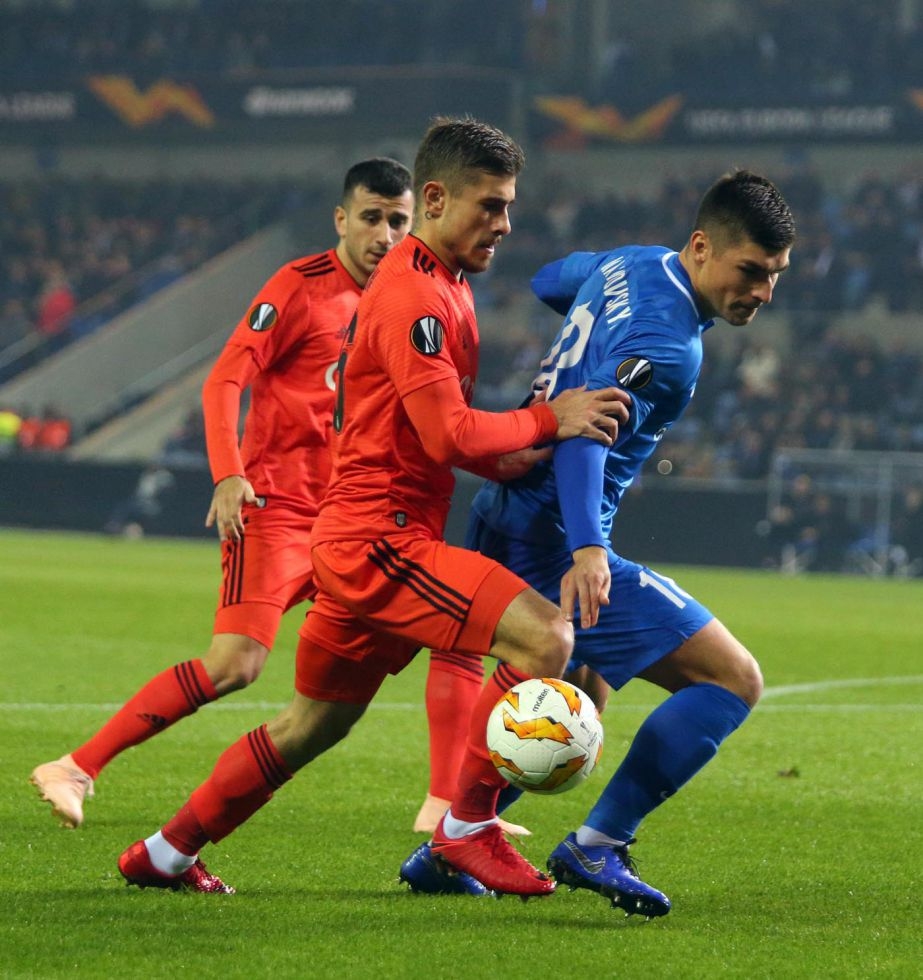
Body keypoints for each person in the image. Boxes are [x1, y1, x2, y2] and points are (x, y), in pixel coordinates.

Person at [114, 116, 631, 896]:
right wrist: (544, 421)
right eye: (488, 206)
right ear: (433, 198)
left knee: (308, 727)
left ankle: (164, 852)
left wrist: (521, 450)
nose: (504, 223)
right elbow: (447, 430)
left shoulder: (447, 285)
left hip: (369, 538)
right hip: (378, 541)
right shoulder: (413, 296)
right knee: (545, 637)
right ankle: (465, 830)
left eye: (508, 206)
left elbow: (434, 433)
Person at [409, 169, 795, 913]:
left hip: (504, 506)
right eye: (749, 271)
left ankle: (446, 846)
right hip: (554, 533)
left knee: (580, 695)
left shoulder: (631, 263)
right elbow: (586, 439)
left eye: (773, 277)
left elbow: (555, 278)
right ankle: (594, 847)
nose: (760, 293)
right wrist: (587, 549)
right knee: (732, 680)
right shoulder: (667, 342)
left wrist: (595, 314)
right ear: (701, 247)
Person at [30, 158, 416, 837]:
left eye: (398, 221)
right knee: (235, 664)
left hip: (348, 519)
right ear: (341, 219)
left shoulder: (401, 300)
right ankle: (76, 766)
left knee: (435, 621)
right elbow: (224, 381)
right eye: (371, 218)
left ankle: (458, 810)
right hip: (279, 512)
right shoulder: (300, 286)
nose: (384, 234)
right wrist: (229, 471)